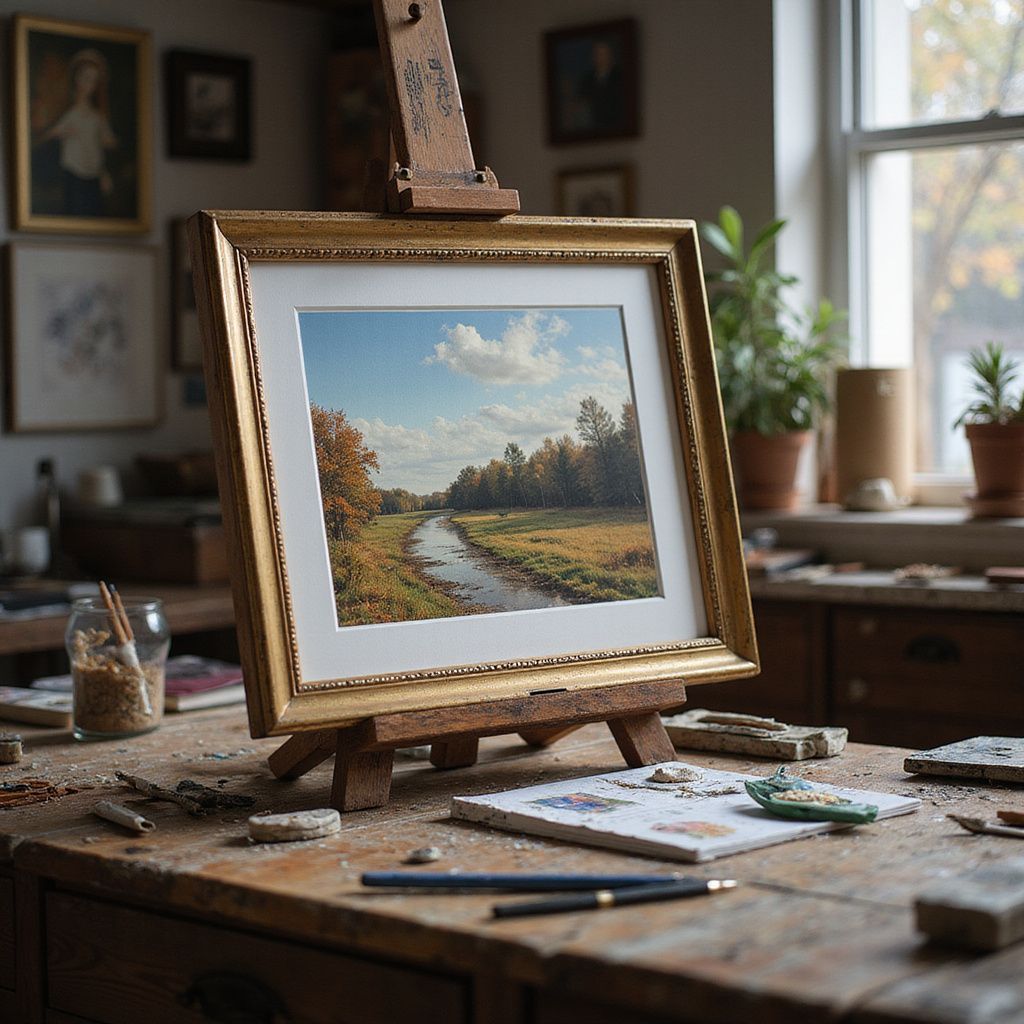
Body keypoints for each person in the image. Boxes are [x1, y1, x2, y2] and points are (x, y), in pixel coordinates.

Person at [40, 49, 116, 217]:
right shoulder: (67, 113)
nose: (87, 84)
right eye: (85, 77)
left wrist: (103, 171)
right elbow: (47, 136)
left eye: (93, 80)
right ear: (76, 77)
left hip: (93, 174)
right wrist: (60, 132)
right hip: (72, 171)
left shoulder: (97, 117)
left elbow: (107, 142)